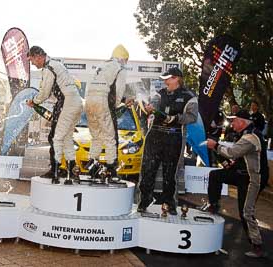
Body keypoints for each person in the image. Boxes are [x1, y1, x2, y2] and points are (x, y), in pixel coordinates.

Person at [202, 109, 269, 258]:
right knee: (215, 175)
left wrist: (215, 146)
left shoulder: (250, 137)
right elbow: (239, 157)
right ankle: (214, 205)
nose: (232, 123)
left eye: (234, 120)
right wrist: (227, 163)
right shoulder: (246, 133)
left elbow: (233, 153)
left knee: (246, 212)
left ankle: (257, 245)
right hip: (242, 174)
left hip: (253, 179)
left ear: (242, 122)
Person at [137, 67, 198, 215]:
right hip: (155, 136)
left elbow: (192, 117)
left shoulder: (189, 96)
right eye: (164, 78)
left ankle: (169, 204)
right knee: (148, 170)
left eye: (168, 78)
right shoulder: (159, 93)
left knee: (170, 173)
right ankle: (144, 202)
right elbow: (153, 106)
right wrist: (149, 108)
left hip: (174, 137)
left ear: (177, 78)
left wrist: (175, 119)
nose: (165, 81)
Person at [26, 46, 83, 184]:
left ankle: (56, 172)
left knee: (55, 137)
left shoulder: (48, 68)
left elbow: (45, 92)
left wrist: (34, 101)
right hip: (76, 102)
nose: (33, 64)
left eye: (32, 61)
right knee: (67, 138)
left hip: (66, 103)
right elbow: (53, 93)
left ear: (38, 56)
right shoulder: (56, 64)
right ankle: (72, 170)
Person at [84, 44, 129, 180]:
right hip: (103, 102)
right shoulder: (120, 68)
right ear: (123, 58)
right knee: (110, 138)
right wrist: (114, 106)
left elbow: (90, 86)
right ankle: (111, 169)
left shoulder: (101, 66)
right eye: (126, 60)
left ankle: (92, 165)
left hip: (89, 101)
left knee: (96, 137)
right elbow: (119, 91)